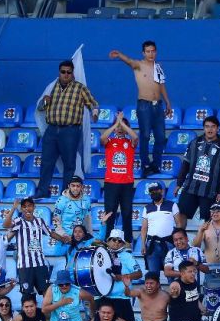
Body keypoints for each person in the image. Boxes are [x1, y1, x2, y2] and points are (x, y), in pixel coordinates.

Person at [34, 59, 99, 199]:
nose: (66, 74)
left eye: (69, 72)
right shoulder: (51, 87)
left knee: (69, 164)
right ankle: (43, 190)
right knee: (46, 162)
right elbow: (40, 108)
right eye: (63, 72)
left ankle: (66, 193)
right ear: (59, 72)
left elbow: (93, 103)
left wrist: (94, 113)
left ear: (73, 73)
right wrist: (45, 101)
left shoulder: (80, 88)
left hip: (70, 131)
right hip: (52, 129)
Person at [109, 42, 173, 176]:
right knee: (144, 135)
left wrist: (167, 102)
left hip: (158, 104)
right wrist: (120, 55)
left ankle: (155, 164)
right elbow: (129, 61)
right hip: (144, 105)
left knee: (160, 136)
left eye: (153, 51)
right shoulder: (139, 64)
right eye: (148, 51)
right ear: (143, 53)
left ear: (156, 52)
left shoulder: (158, 67)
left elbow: (161, 85)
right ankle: (145, 164)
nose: (151, 54)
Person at [174, 116, 220, 227]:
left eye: (213, 127)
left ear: (218, 128)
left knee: (208, 220)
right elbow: (185, 164)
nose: (210, 129)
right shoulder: (194, 143)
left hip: (210, 191)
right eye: (207, 126)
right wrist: (179, 183)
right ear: (203, 128)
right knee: (181, 214)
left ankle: (207, 244)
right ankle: (180, 241)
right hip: (190, 187)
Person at [5, 198, 68, 295]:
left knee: (46, 292)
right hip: (24, 265)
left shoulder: (40, 221)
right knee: (27, 295)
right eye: (24, 207)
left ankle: (46, 310)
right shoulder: (18, 221)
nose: (27, 209)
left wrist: (63, 239)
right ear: (21, 209)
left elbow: (50, 233)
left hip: (40, 264)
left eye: (29, 206)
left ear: (34, 207)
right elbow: (6, 225)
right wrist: (14, 208)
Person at [100, 111, 139, 238]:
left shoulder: (130, 142)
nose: (120, 129)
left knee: (127, 213)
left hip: (127, 183)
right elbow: (102, 138)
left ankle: (128, 241)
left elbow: (136, 137)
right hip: (111, 183)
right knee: (110, 213)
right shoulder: (110, 141)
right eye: (118, 127)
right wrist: (116, 123)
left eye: (123, 127)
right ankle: (108, 239)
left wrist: (121, 122)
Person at [140, 181, 181, 275]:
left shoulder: (172, 205)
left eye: (156, 190)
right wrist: (143, 244)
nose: (154, 193)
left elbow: (179, 224)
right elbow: (144, 228)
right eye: (152, 191)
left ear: (162, 191)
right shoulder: (147, 208)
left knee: (171, 274)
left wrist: (177, 241)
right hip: (152, 244)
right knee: (153, 275)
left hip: (169, 243)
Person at [54, 176, 92, 245]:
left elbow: (87, 219)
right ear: (69, 186)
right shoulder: (61, 200)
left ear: (82, 187)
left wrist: (90, 234)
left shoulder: (86, 200)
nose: (75, 188)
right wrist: (63, 235)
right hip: (65, 235)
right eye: (73, 186)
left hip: (80, 236)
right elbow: (56, 221)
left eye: (78, 186)